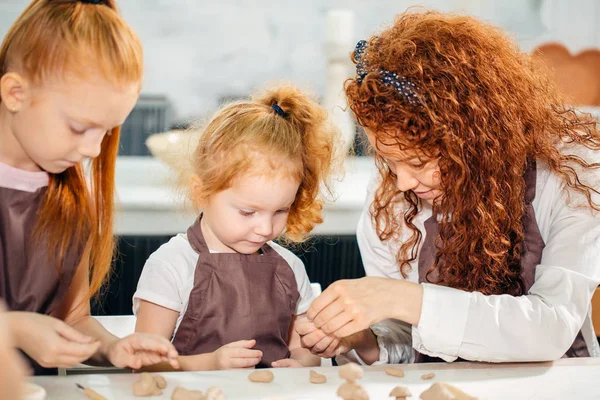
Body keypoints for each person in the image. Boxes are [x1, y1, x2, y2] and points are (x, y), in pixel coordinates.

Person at [297, 10, 600, 365]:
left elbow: (550, 328)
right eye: (389, 161)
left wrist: (404, 298)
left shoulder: (571, 169)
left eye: (419, 163)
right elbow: (410, 345)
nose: (403, 182)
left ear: (473, 140)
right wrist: (366, 342)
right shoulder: (390, 200)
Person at [0, 0, 179, 375]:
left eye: (108, 131)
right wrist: (13, 329)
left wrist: (114, 349)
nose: (93, 150)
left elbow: (74, 319)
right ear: (15, 94)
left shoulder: (71, 196)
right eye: (80, 128)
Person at [133, 84, 340, 370]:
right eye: (247, 212)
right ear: (202, 192)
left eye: (281, 210)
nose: (265, 228)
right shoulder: (171, 266)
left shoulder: (290, 269)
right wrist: (210, 363)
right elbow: (143, 363)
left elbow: (303, 350)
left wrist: (302, 366)